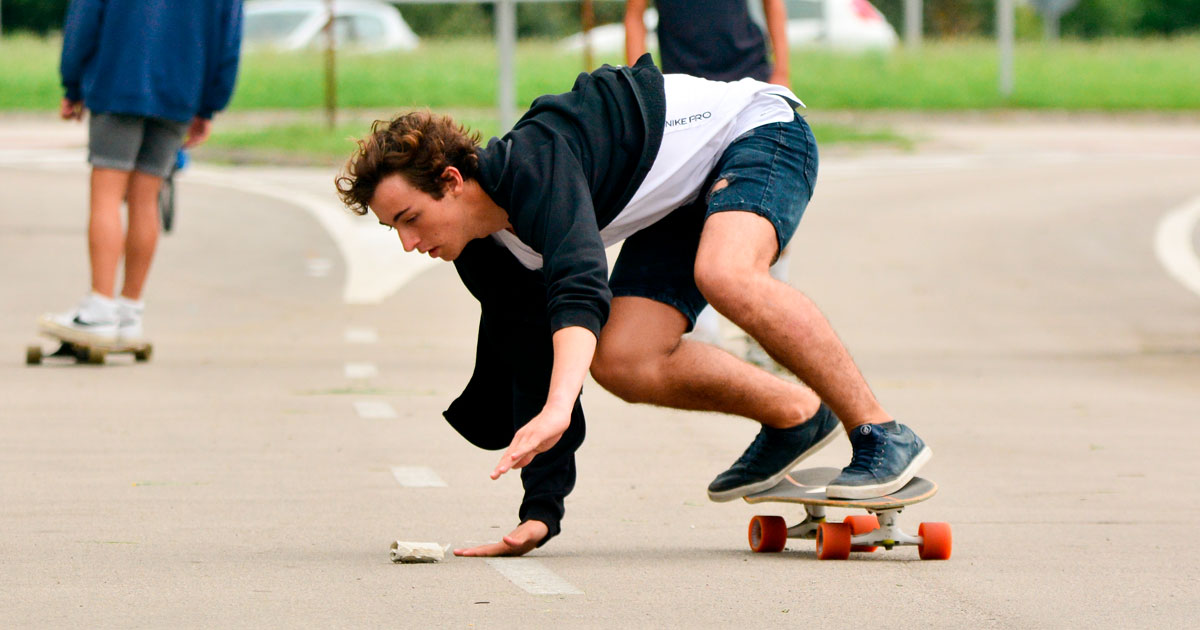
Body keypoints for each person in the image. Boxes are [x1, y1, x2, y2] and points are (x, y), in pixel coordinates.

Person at [335, 56, 930, 556]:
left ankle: (883, 435)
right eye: (394, 231)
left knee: (725, 273)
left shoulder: (537, 165)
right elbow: (530, 357)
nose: (410, 243)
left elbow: (579, 283)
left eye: (409, 219)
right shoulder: (485, 252)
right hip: (681, 199)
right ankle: (796, 415)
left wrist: (560, 406)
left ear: (451, 181)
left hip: (757, 134)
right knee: (621, 357)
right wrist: (541, 512)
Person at [45, 0, 243, 348]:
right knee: (146, 197)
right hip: (182, 90)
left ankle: (99, 310)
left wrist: (72, 82)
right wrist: (210, 103)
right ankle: (128, 313)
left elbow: (85, 17)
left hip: (117, 80)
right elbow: (229, 38)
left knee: (106, 194)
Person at [625, 0, 792, 366]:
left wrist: (781, 70)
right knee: (691, 202)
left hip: (749, 76)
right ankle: (705, 336)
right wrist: (639, 83)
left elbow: (773, 4)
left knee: (761, 204)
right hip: (685, 87)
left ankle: (767, 335)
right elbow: (634, 15)